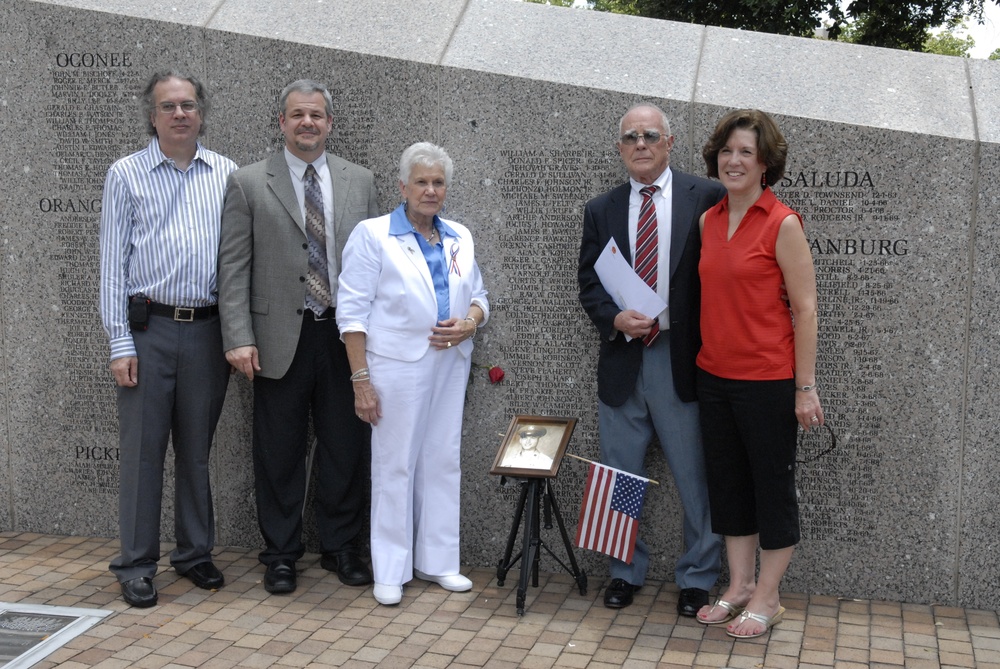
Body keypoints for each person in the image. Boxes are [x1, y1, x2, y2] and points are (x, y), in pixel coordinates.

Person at [217, 79, 378, 595]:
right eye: (296, 115)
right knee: (279, 450)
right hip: (276, 338)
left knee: (344, 447)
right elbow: (233, 268)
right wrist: (238, 335)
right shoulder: (247, 182)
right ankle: (281, 553)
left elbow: (377, 265)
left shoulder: (361, 181)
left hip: (342, 335)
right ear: (281, 122)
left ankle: (340, 547)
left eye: (316, 115)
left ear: (330, 123)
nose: (307, 123)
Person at [578, 103, 726, 614]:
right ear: (620, 148)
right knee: (619, 473)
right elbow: (590, 282)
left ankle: (698, 576)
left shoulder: (706, 197)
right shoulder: (601, 208)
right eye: (629, 137)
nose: (640, 144)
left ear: (668, 142)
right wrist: (614, 318)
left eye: (649, 135)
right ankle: (624, 571)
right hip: (623, 359)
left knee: (695, 474)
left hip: (680, 359)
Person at [99, 70, 236, 608]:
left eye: (189, 105)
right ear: (151, 116)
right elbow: (113, 265)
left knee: (197, 453)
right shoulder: (126, 174)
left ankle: (194, 553)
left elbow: (236, 261)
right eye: (168, 106)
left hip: (206, 331)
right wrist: (119, 342)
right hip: (147, 330)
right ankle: (135, 563)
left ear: (202, 112)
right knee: (143, 454)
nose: (180, 114)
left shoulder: (226, 173)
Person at [337, 142, 489, 606]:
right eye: (421, 181)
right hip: (396, 367)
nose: (430, 190)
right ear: (402, 186)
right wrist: (360, 380)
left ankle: (439, 561)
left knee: (443, 458)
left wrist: (469, 323)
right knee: (395, 465)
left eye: (438, 182)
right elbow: (352, 314)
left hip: (449, 364)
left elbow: (480, 295)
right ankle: (390, 567)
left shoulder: (460, 235)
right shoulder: (373, 234)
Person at [693, 109, 822, 639]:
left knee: (771, 489)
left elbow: (806, 308)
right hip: (714, 378)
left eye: (746, 151)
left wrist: (805, 388)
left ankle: (768, 597)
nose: (734, 160)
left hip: (767, 381)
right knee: (729, 488)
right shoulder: (708, 219)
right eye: (727, 151)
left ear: (765, 163)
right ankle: (739, 585)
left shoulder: (782, 222)